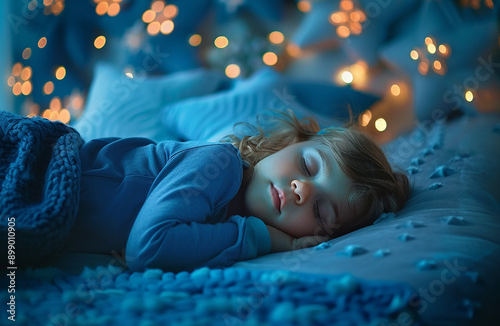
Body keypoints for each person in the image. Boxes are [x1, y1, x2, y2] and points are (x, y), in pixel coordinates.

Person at [65, 110, 409, 272]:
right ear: (288, 144)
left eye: (321, 211)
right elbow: (148, 249)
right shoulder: (217, 163)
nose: (302, 190)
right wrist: (263, 237)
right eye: (308, 166)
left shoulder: (223, 225)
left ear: (319, 237)